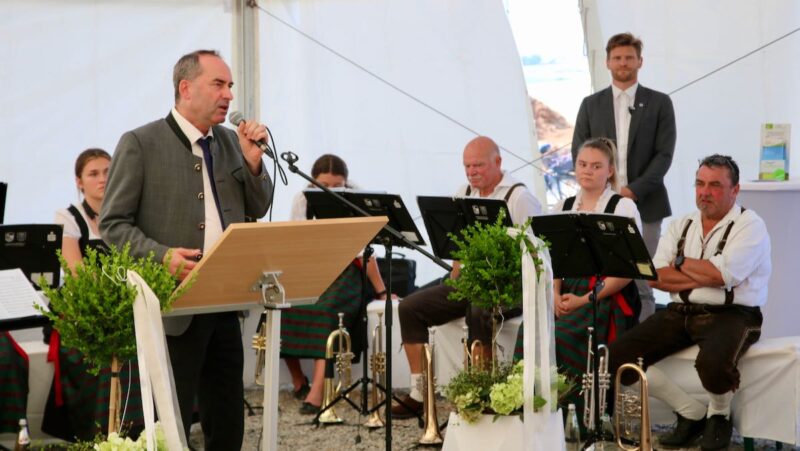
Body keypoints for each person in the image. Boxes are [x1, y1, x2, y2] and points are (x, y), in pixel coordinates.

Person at [100, 49, 273, 450]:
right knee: (168, 418)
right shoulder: (141, 143)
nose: (229, 94)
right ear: (185, 88)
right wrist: (162, 256)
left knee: (227, 416)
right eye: (219, 84)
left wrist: (251, 165)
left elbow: (257, 206)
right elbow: (113, 225)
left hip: (224, 300)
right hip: (170, 305)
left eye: (230, 85)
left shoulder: (231, 142)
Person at [608, 155, 770, 450]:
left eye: (715, 185)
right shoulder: (681, 224)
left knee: (712, 363)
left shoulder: (750, 225)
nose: (704, 191)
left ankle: (719, 415)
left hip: (733, 313)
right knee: (617, 359)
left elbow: (724, 275)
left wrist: (681, 263)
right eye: (700, 183)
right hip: (679, 310)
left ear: (735, 191)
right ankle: (691, 412)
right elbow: (655, 277)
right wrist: (704, 273)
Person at [392, 136, 542, 418]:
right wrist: (455, 277)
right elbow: (458, 245)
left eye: (478, 165)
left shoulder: (520, 197)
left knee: (478, 310)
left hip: (511, 287)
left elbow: (536, 255)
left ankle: (481, 392)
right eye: (467, 166)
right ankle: (419, 392)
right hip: (472, 281)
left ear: (498, 162)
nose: (472, 172)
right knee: (410, 307)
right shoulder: (464, 192)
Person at [513, 138, 641, 430]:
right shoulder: (564, 205)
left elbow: (627, 271)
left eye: (596, 166)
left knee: (564, 336)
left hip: (606, 293)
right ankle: (531, 413)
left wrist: (585, 300)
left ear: (609, 171)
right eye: (582, 164)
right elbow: (555, 256)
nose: (587, 171)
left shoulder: (623, 208)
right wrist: (555, 293)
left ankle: (575, 420)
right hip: (568, 289)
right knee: (529, 331)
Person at [572, 32, 677, 321]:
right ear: (607, 62)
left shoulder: (659, 103)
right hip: (600, 205)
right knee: (599, 274)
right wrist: (604, 191)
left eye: (629, 57)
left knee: (640, 277)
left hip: (646, 203)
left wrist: (631, 191)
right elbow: (578, 151)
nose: (623, 63)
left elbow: (664, 155)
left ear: (640, 61)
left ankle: (640, 344)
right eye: (617, 57)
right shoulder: (590, 104)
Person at [41, 148, 145, 441]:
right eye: (94, 173)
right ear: (79, 181)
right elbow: (77, 274)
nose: (103, 179)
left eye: (108, 172)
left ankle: (137, 432)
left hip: (126, 307)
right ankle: (98, 431)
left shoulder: (128, 215)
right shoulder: (68, 217)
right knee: (103, 351)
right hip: (84, 313)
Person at [280, 154, 391, 414]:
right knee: (281, 309)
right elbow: (296, 240)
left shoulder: (356, 197)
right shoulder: (302, 198)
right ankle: (299, 382)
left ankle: (318, 392)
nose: (330, 191)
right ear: (313, 180)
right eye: (323, 185)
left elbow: (366, 253)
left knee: (327, 312)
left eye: (336, 185)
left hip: (348, 271)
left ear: (346, 182)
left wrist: (382, 292)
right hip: (313, 268)